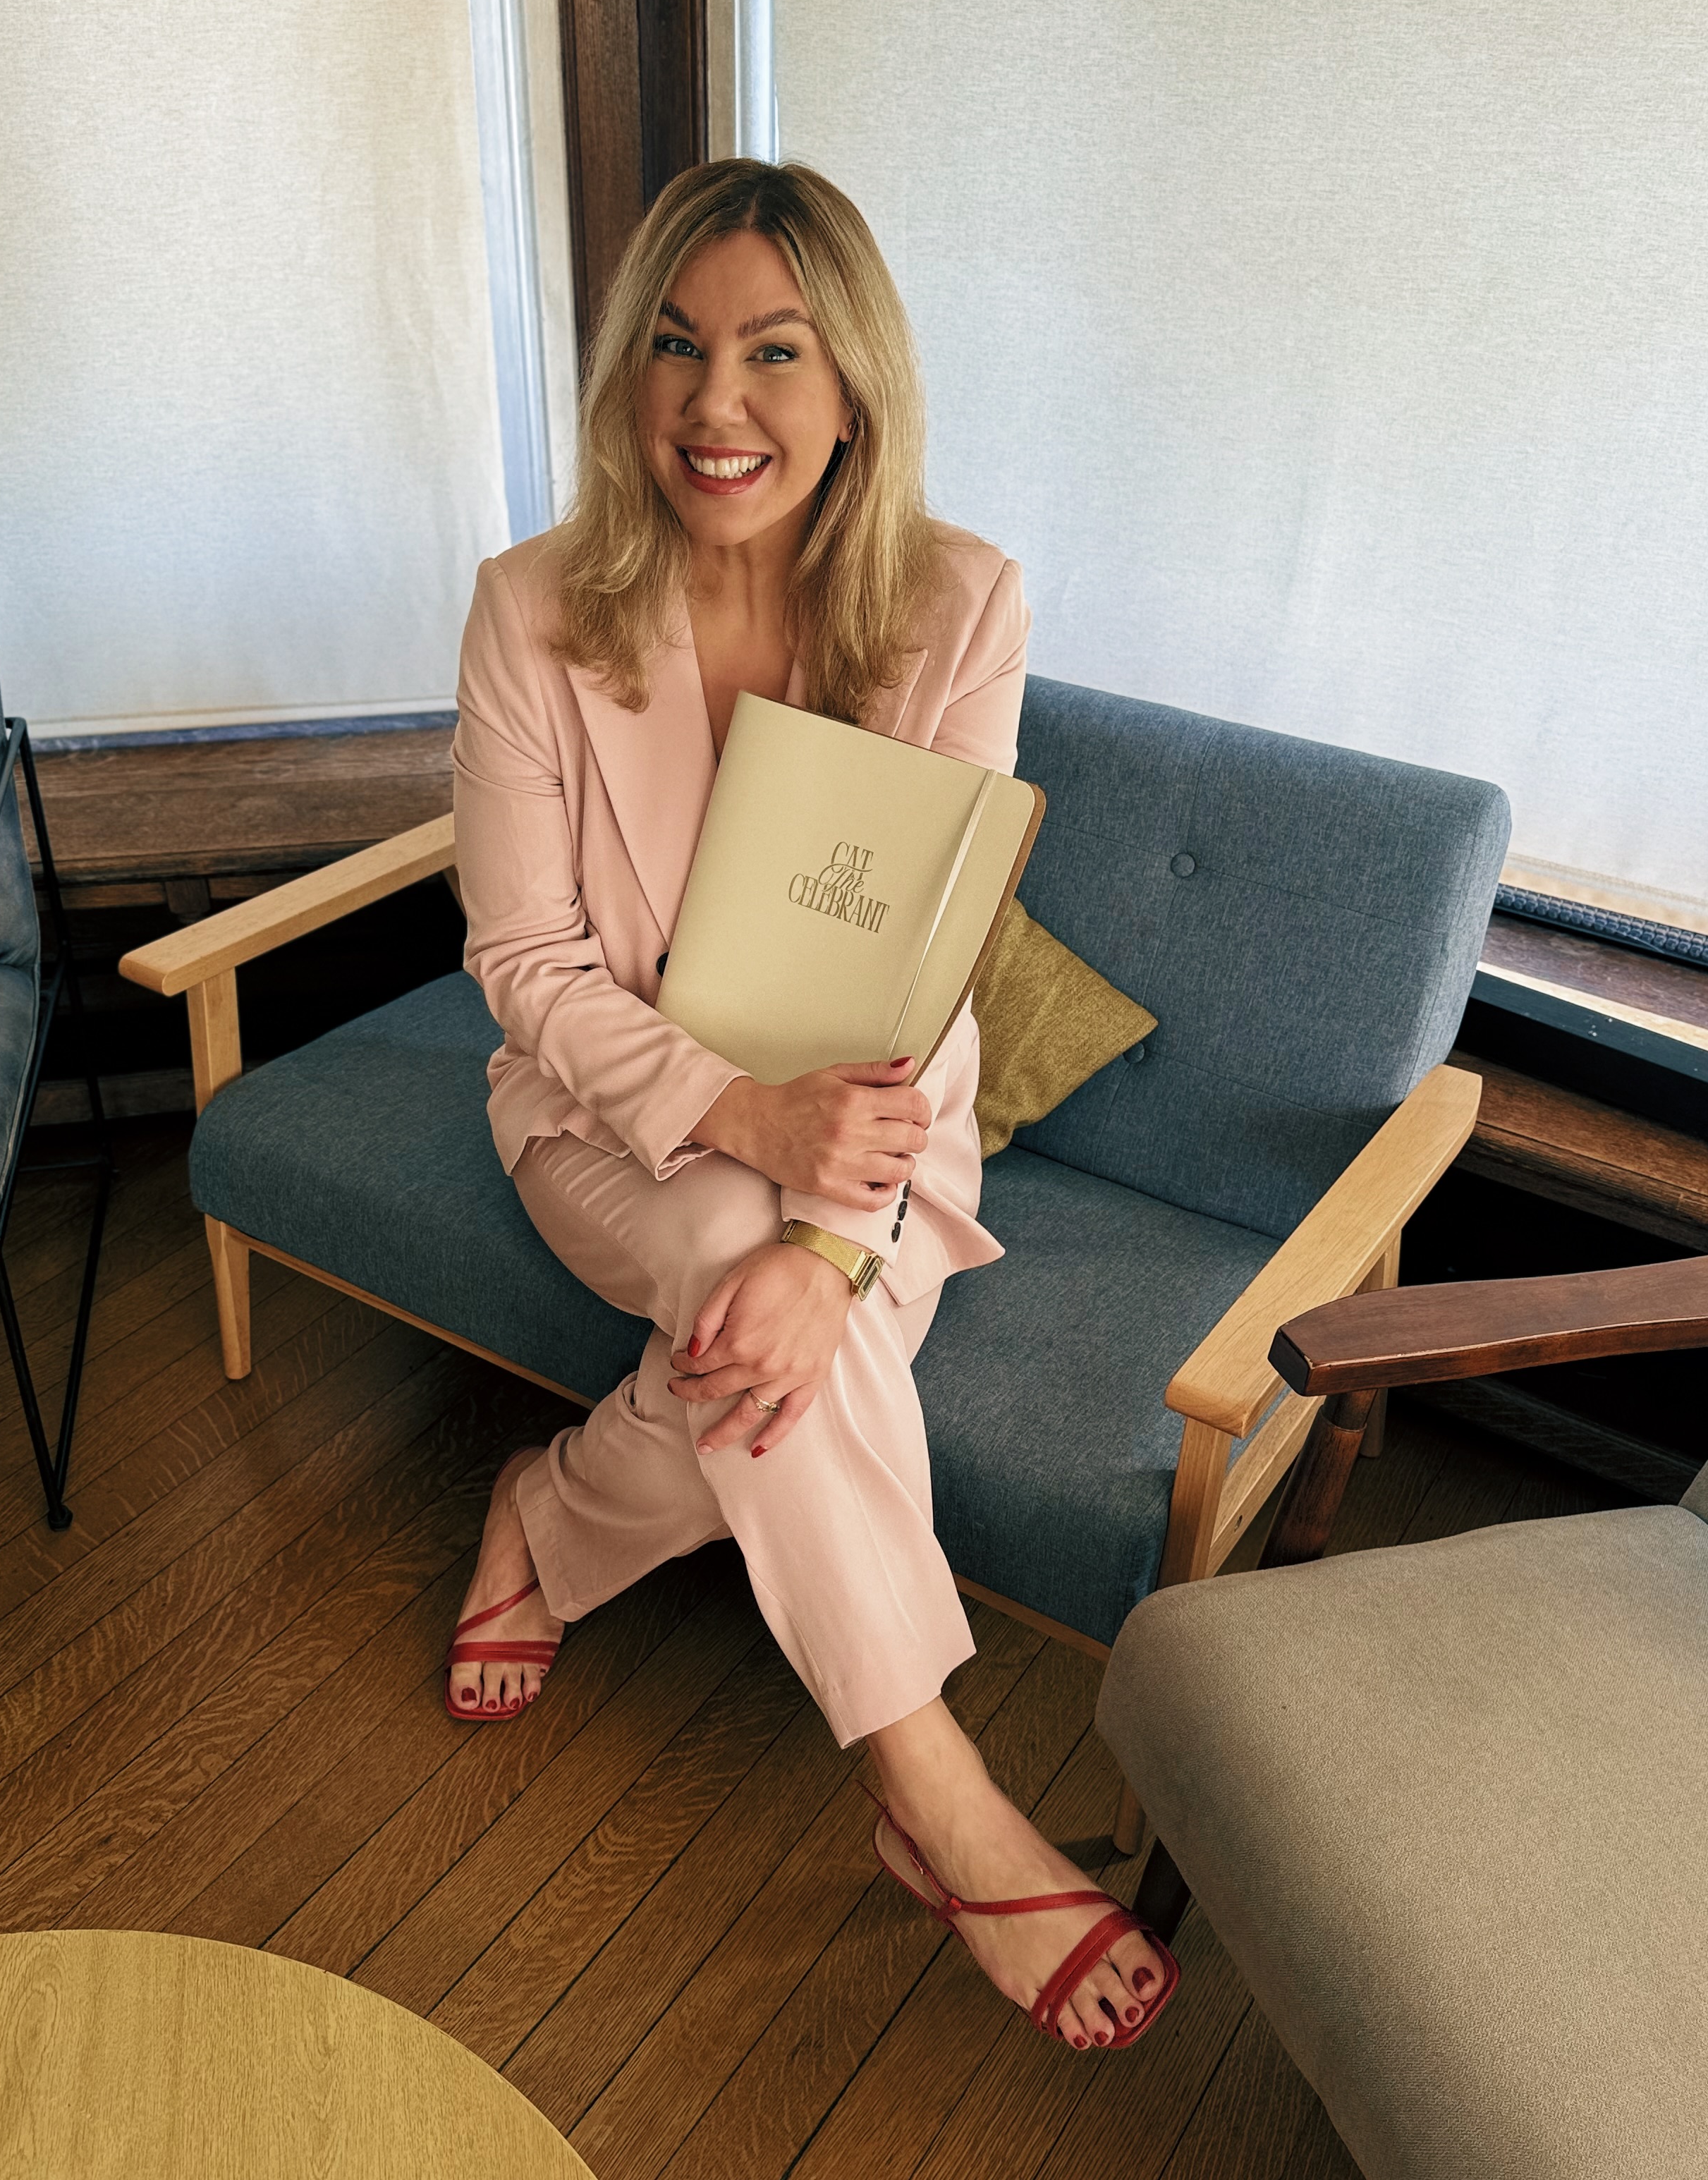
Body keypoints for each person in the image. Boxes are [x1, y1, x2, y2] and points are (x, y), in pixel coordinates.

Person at [444, 158, 1172, 2054]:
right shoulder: (530, 610)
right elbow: (524, 963)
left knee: (739, 1299)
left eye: (774, 352)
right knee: (704, 1235)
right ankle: (940, 1797)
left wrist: (838, 1246)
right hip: (603, 1127)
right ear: (624, 378)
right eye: (673, 350)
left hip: (874, 1153)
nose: (715, 404)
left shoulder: (956, 603)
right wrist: (734, 1123)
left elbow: (931, 977)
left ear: (853, 387)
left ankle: (547, 1513)